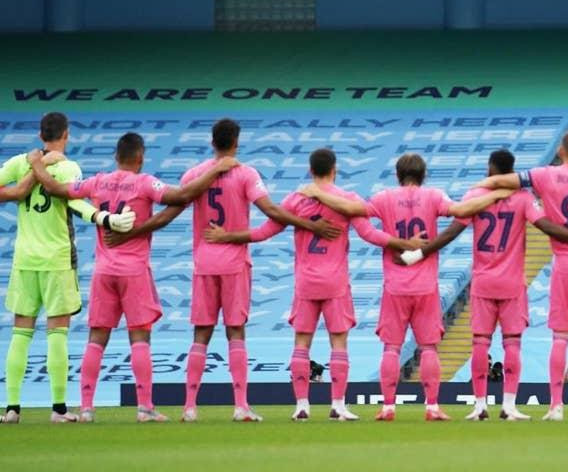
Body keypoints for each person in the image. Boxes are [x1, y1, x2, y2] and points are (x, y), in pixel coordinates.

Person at [139, 118, 343, 423]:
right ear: (236, 142)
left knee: (201, 334)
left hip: (204, 262)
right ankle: (240, 406)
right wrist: (310, 224)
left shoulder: (195, 174)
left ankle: (190, 407)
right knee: (236, 331)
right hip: (234, 263)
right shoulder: (246, 174)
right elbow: (272, 212)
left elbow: (171, 209)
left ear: (212, 142)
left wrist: (134, 231)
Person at [26, 132, 232, 423]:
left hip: (103, 270)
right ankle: (144, 407)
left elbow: (58, 189)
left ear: (116, 157)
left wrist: (36, 165)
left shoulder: (97, 181)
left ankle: (86, 408)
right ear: (140, 157)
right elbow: (182, 196)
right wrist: (214, 170)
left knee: (96, 338)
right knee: (140, 337)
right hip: (133, 271)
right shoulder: (144, 182)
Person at [203, 147, 410, 422]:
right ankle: (337, 405)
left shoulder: (296, 200)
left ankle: (302, 405)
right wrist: (402, 245)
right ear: (335, 170)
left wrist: (227, 236)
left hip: (306, 282)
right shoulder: (347, 199)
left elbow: (263, 232)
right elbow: (370, 234)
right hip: (335, 281)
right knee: (338, 341)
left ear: (311, 170)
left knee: (301, 342)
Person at [302, 152, 511, 422]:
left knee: (391, 347)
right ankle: (432, 406)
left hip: (395, 284)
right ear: (423, 175)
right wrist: (495, 195)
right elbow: (461, 211)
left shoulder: (384, 198)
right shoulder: (434, 196)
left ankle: (388, 407)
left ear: (398, 175)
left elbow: (353, 211)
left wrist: (317, 194)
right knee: (428, 348)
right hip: (425, 285)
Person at [404, 148, 568, 421]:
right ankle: (509, 406)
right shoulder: (523, 198)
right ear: (512, 171)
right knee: (512, 344)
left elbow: (451, 232)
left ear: (490, 168)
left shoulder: (475, 196)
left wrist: (420, 253)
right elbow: (550, 227)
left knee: (479, 344)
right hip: (511, 283)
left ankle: (479, 406)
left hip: (483, 282)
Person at [473, 130, 568, 421]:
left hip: (564, 265)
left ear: (560, 151)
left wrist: (485, 188)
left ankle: (555, 406)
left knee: (560, 337)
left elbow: (500, 180)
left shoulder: (544, 175)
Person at [1, 112, 129, 425]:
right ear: (66, 134)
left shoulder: (20, 162)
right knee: (57, 332)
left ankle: (12, 408)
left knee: (21, 331)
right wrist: (104, 218)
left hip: (24, 259)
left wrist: (21, 184)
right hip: (57, 259)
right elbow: (75, 201)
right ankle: (58, 409)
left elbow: (11, 189)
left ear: (41, 134)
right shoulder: (68, 167)